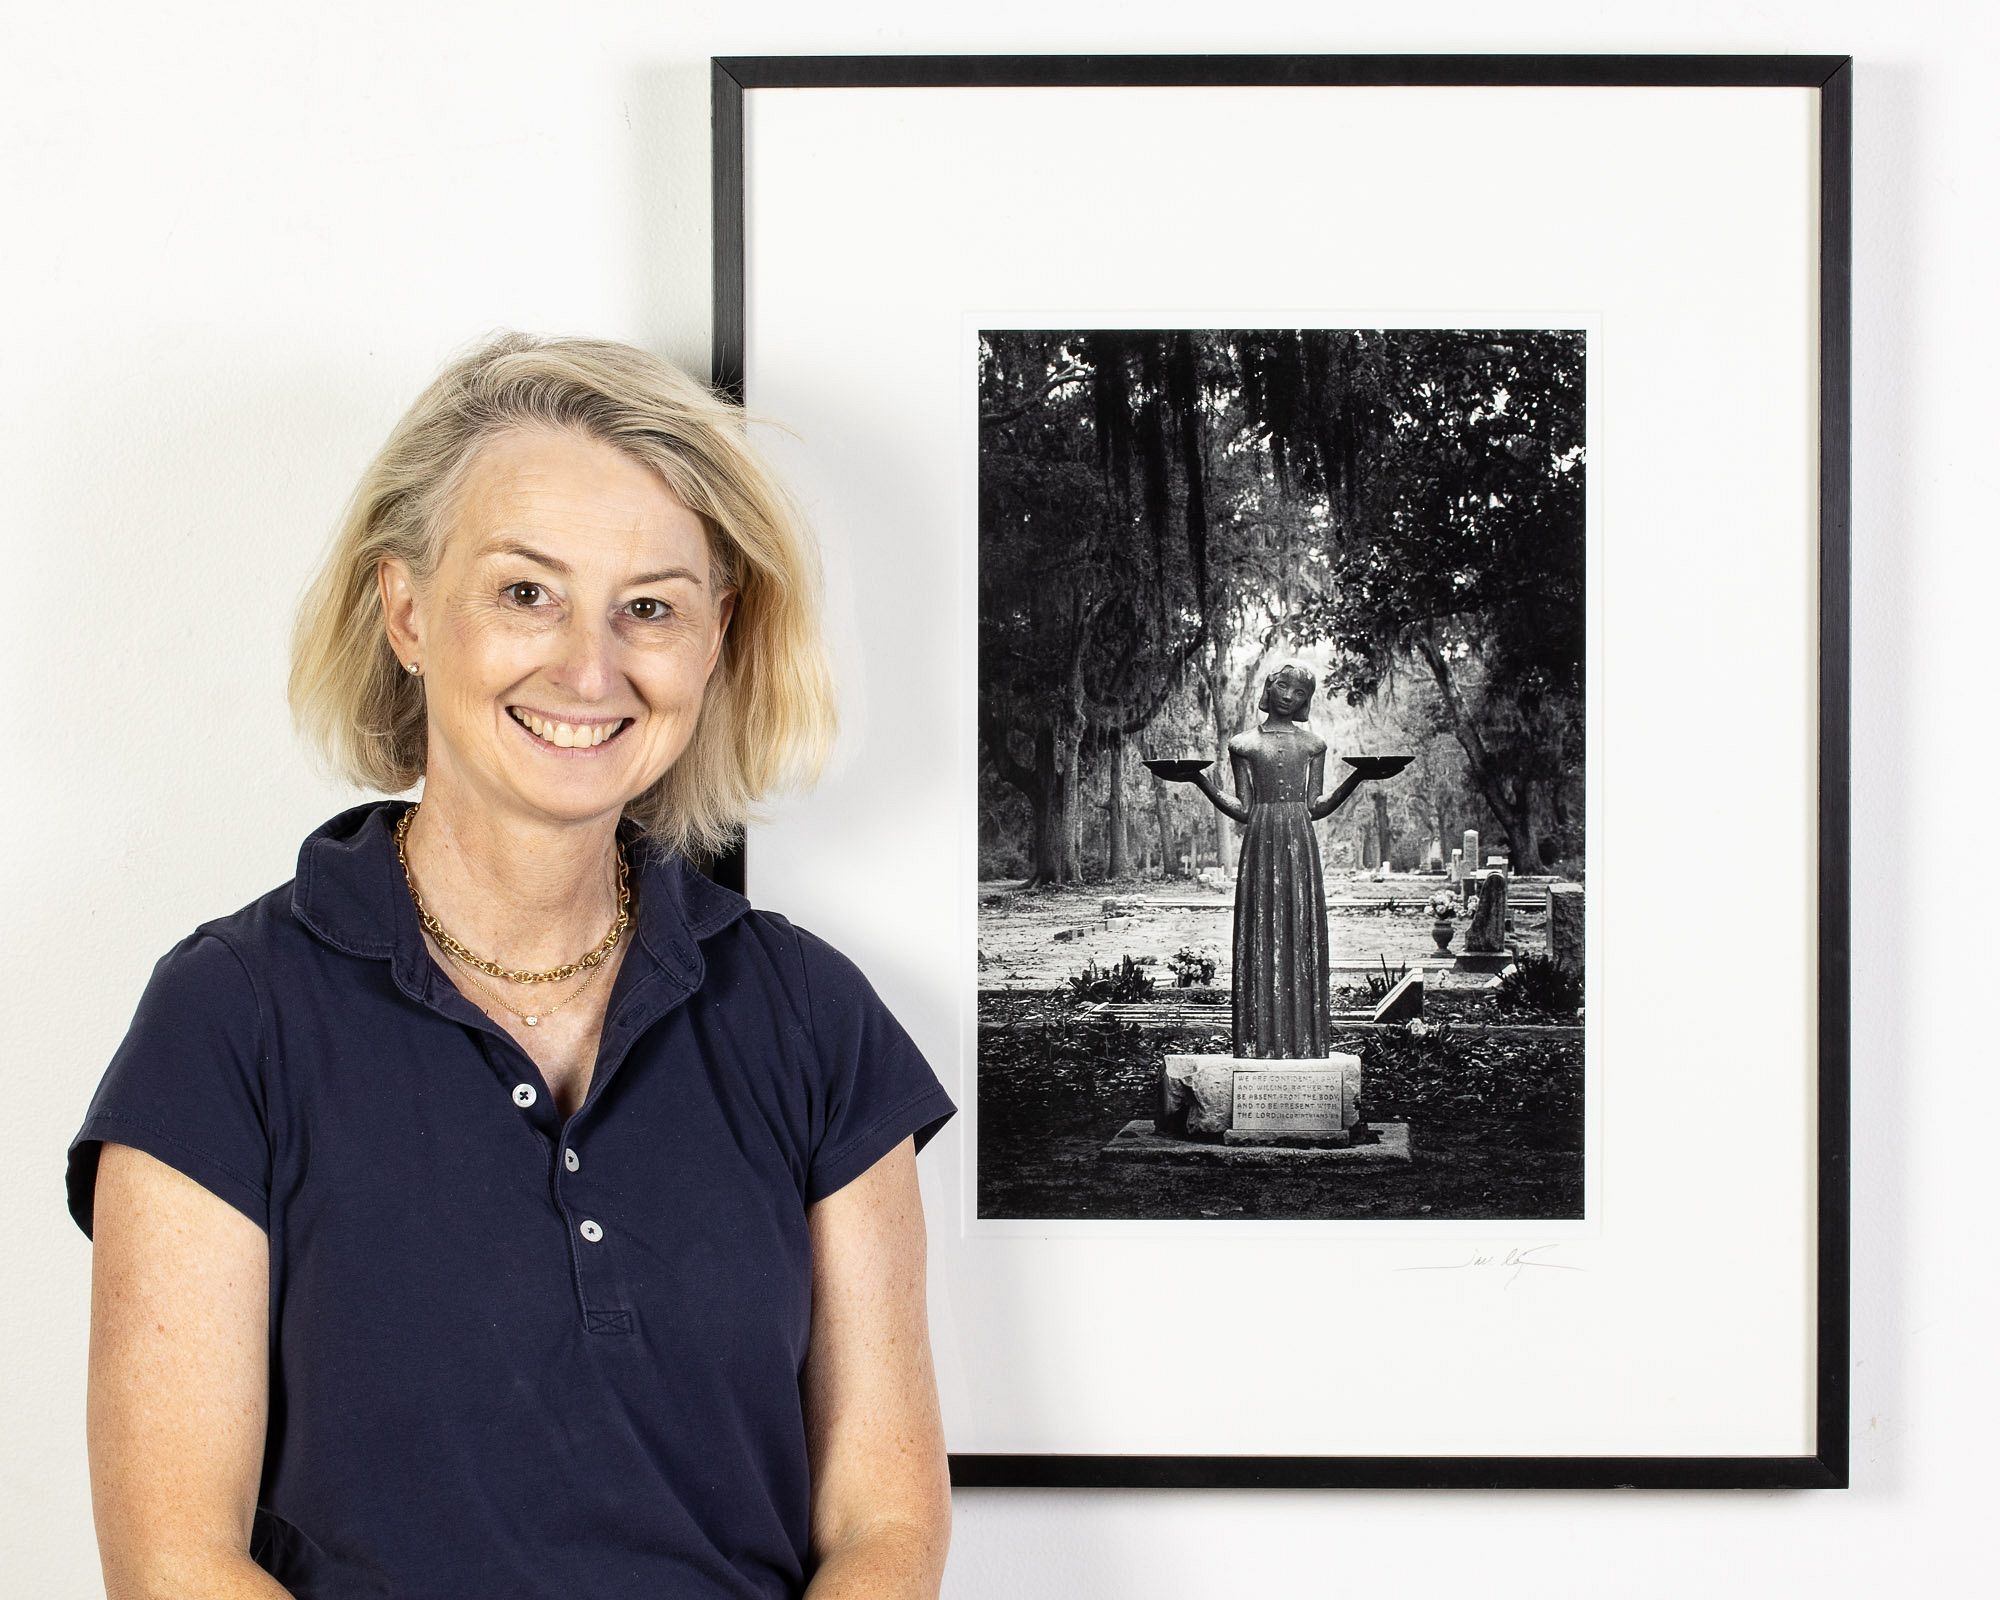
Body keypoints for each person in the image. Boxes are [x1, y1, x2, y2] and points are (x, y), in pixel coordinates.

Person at [63, 332, 958, 1599]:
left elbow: (884, 1523)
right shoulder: (225, 1020)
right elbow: (173, 1562)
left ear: (713, 639)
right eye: (525, 592)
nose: (588, 668)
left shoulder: (816, 1020)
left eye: (648, 605)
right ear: (409, 610)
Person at [1181, 663, 1365, 1058]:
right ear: (1269, 687)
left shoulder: (1313, 745)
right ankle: (1256, 1041)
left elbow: (1316, 806)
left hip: (1299, 837)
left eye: (1298, 693)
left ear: (1305, 701)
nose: (1288, 696)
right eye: (1283, 686)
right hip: (1261, 835)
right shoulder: (1243, 744)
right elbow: (1244, 809)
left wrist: (1358, 778)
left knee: (1301, 924)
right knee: (1259, 924)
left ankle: (1306, 1039)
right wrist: (1201, 781)